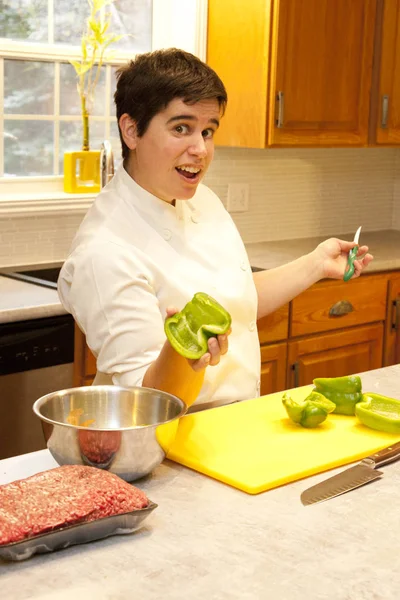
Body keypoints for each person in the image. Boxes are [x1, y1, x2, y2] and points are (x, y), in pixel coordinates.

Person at [58, 48, 373, 412]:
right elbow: (146, 402)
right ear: (131, 130)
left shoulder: (201, 200)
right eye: (181, 128)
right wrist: (185, 356)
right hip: (167, 449)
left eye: (208, 131)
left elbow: (235, 299)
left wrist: (316, 264)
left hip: (233, 427)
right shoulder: (104, 251)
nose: (201, 149)